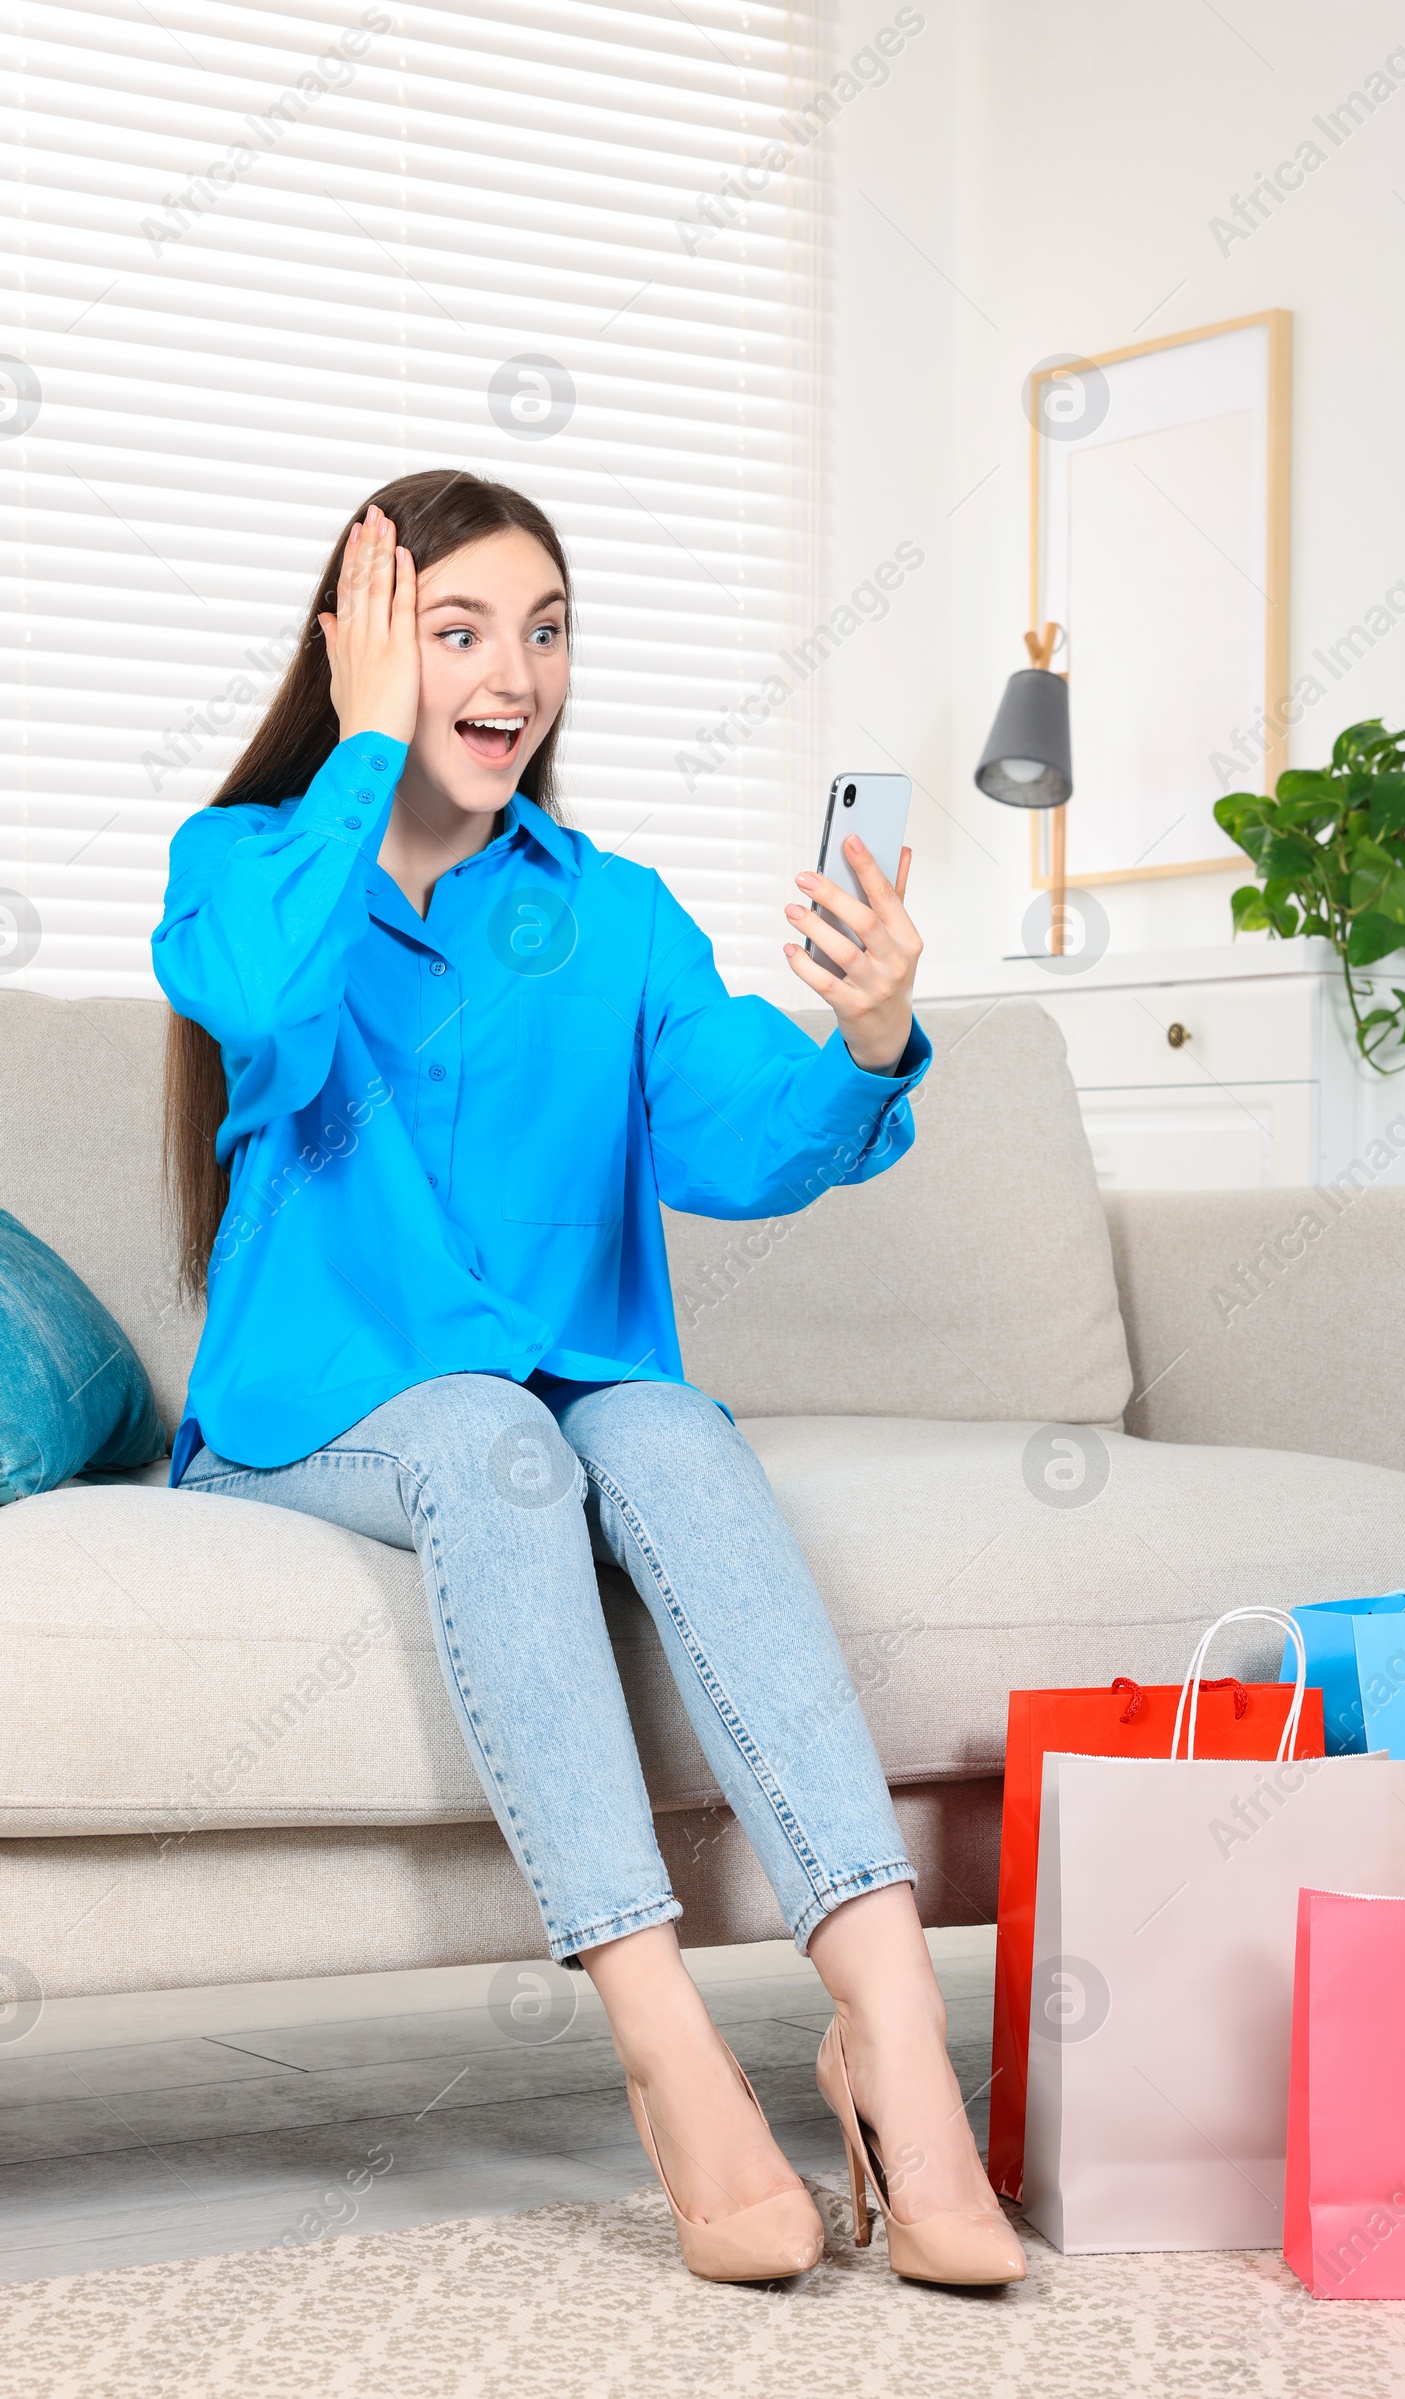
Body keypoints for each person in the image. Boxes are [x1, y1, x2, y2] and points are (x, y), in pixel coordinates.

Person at [153, 470, 1024, 2288]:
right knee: (494, 1433)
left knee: (666, 1426)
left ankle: (889, 2035)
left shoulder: (609, 914)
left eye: (544, 631)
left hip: (559, 1394)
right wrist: (362, 750)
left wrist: (866, 1042)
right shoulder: (249, 866)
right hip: (317, 1414)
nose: (514, 672)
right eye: (456, 629)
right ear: (363, 650)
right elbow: (259, 998)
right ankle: (665, 2041)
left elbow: (736, 1134)